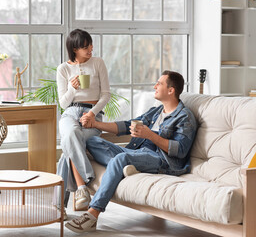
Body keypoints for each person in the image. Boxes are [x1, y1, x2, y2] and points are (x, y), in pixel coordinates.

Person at [65, 70, 198, 233]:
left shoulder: (185, 117)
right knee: (91, 141)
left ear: (171, 90)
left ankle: (93, 214)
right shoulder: (156, 112)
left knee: (121, 158)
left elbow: (180, 150)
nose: (155, 86)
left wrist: (150, 135)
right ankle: (131, 167)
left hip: (161, 159)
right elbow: (127, 125)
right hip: (138, 152)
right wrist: (95, 124)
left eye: (159, 83)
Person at [56, 29, 111, 214]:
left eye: (90, 45)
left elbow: (105, 95)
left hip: (92, 113)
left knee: (68, 147)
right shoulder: (63, 69)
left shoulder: (98, 63)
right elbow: (63, 103)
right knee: (71, 134)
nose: (90, 49)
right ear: (74, 49)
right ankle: (83, 185)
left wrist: (93, 114)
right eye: (85, 47)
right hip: (70, 112)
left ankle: (58, 206)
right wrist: (72, 89)